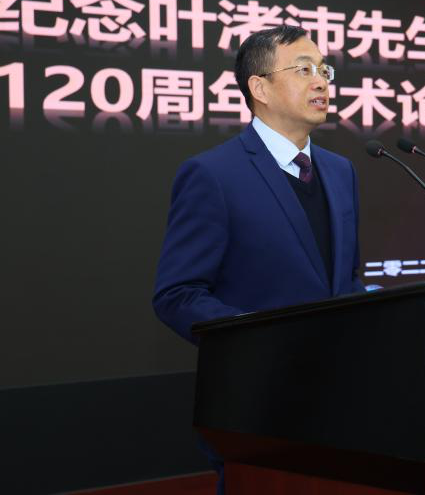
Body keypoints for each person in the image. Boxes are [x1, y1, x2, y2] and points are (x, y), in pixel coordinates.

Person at [152, 25, 365, 492]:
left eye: (324, 70)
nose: (321, 82)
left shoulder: (340, 171)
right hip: (258, 408)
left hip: (343, 405)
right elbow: (177, 294)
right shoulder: (213, 174)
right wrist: (260, 339)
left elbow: (346, 279)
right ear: (259, 87)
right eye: (303, 70)